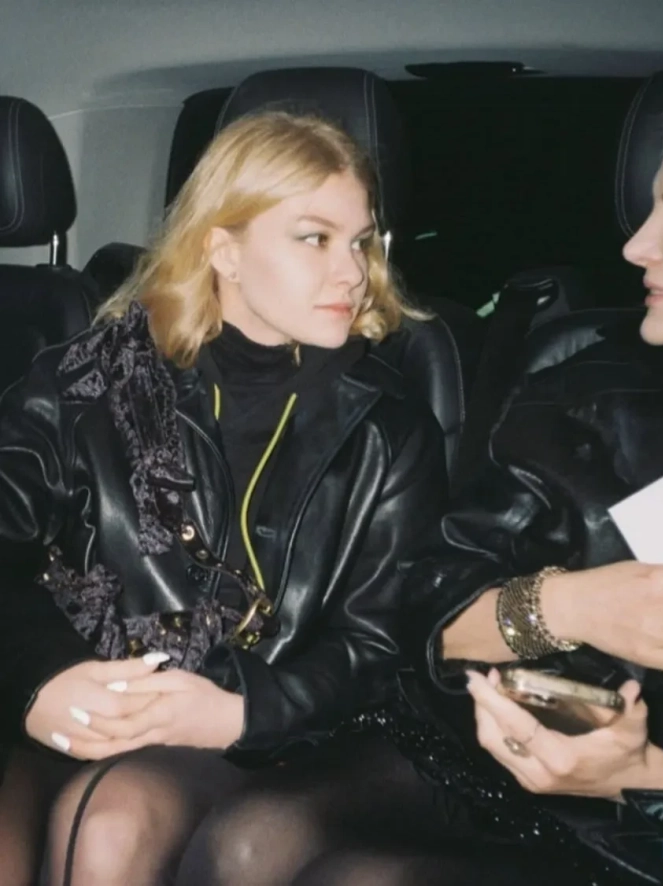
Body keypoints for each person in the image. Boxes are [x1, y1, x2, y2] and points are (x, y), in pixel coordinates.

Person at [174, 70, 663, 885]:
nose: (636, 245)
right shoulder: (588, 387)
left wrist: (645, 775)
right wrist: (573, 607)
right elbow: (429, 607)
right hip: (483, 750)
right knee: (251, 839)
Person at [0, 109, 447, 886]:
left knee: (112, 823)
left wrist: (240, 710)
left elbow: (382, 643)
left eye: (360, 241)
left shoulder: (389, 426)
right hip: (87, 692)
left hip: (276, 730)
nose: (352, 272)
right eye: (315, 238)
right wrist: (41, 677)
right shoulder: (88, 382)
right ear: (223, 249)